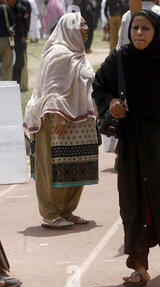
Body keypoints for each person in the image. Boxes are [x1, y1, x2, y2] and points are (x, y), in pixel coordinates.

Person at [92, 10, 160, 287]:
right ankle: (139, 265)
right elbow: (99, 85)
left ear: (155, 32)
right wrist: (111, 103)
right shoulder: (120, 60)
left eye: (145, 29)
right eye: (135, 28)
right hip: (132, 145)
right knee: (133, 202)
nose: (138, 33)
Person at [23, 12, 99, 229]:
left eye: (86, 24)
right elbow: (53, 89)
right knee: (52, 167)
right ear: (69, 29)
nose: (85, 28)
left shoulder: (78, 53)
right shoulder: (58, 53)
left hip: (79, 121)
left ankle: (66, 210)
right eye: (81, 25)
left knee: (75, 165)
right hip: (58, 120)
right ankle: (50, 213)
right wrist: (59, 116)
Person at [8, 0, 30, 85]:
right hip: (10, 39)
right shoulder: (7, 9)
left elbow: (25, 24)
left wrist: (24, 36)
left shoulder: (22, 9)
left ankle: (17, 83)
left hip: (20, 40)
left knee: (19, 62)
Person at [0, 0, 14, 80]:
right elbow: (12, 24)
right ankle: (4, 90)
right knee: (7, 66)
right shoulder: (5, 8)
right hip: (5, 40)